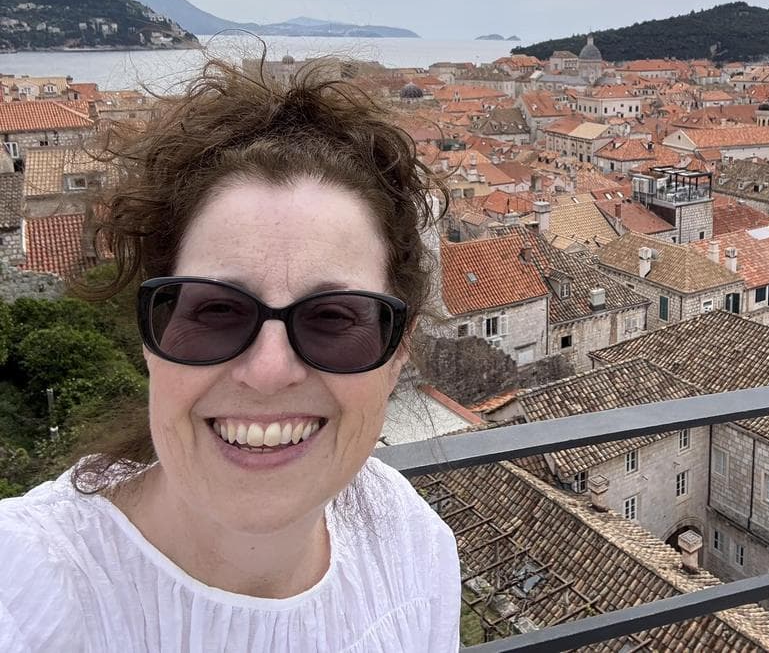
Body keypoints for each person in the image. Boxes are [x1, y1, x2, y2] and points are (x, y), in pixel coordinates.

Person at [0, 58, 461, 651]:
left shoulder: (413, 547)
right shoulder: (27, 598)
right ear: (152, 338)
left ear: (399, 350)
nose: (269, 371)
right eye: (217, 312)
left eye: (332, 318)